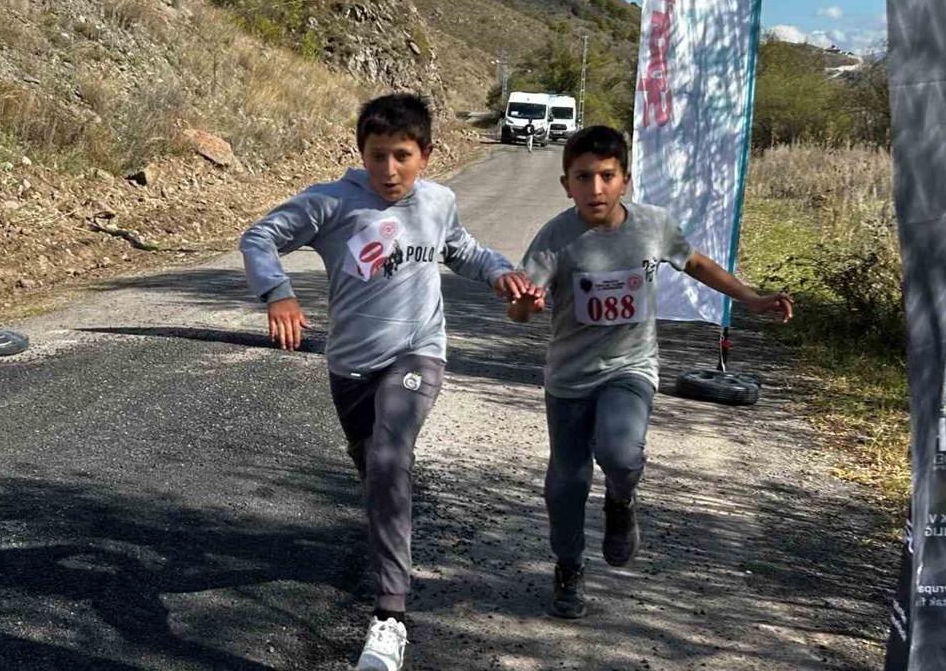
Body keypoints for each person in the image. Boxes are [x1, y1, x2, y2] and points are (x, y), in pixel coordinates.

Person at [240, 93, 537, 670]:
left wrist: (501, 272)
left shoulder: (439, 201)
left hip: (418, 353)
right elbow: (258, 237)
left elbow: (463, 250)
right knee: (374, 469)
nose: (390, 170)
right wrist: (277, 292)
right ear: (362, 153)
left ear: (426, 154)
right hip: (351, 366)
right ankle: (390, 529)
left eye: (402, 156)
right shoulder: (331, 203)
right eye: (377, 156)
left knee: (387, 457)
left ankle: (390, 617)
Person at [507, 125, 793, 620]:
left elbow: (696, 263)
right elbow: (519, 308)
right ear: (566, 183)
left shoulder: (652, 225)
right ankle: (568, 568)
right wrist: (526, 305)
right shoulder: (556, 237)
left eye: (606, 176)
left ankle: (621, 499)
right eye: (583, 177)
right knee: (566, 484)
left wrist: (751, 297)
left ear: (625, 180)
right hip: (569, 378)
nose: (595, 188)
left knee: (620, 453)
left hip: (630, 367)